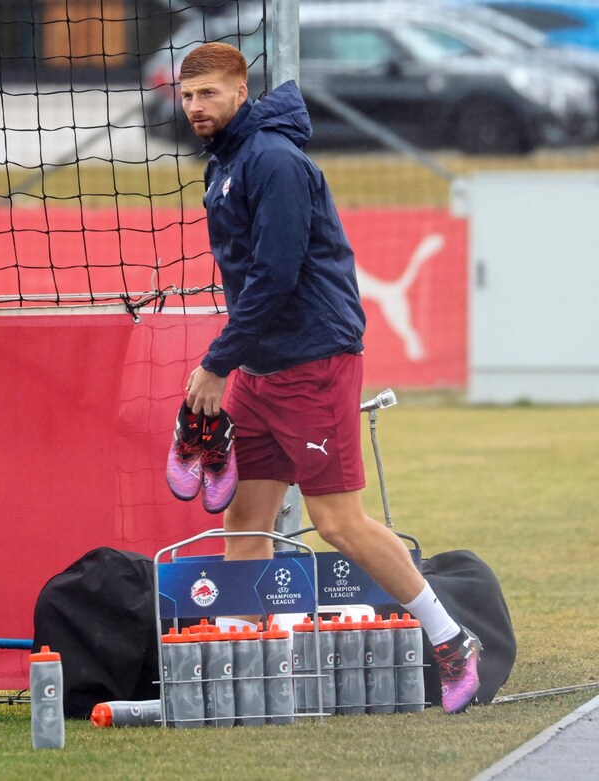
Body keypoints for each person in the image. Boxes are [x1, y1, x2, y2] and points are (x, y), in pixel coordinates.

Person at [176, 41, 481, 714]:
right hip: (262, 366)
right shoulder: (227, 162)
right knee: (245, 516)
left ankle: (452, 636)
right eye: (187, 96)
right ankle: (241, 656)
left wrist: (216, 362)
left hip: (314, 364)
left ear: (239, 91)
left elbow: (277, 277)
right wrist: (236, 361)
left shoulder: (274, 161)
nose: (196, 107)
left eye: (208, 95)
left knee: (338, 520)